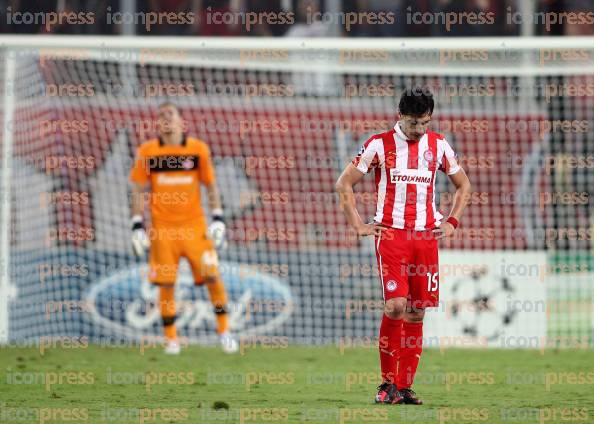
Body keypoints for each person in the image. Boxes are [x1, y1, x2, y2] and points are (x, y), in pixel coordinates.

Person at [335, 87, 471, 404]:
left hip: (426, 237)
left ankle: (404, 387)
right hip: (392, 235)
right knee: (396, 305)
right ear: (400, 116)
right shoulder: (378, 144)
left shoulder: (438, 146)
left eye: (425, 123)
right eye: (414, 123)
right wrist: (357, 224)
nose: (419, 130)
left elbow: (464, 185)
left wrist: (451, 221)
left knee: (416, 312)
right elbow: (344, 183)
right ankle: (386, 384)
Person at [129, 102, 238, 355]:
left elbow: (210, 186)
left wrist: (219, 218)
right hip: (163, 230)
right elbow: (137, 189)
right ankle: (171, 340)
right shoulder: (147, 151)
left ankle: (225, 332)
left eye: (171, 114)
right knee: (166, 284)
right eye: (161, 115)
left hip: (194, 227)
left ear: (181, 121)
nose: (166, 119)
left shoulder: (197, 149)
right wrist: (137, 224)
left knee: (213, 277)